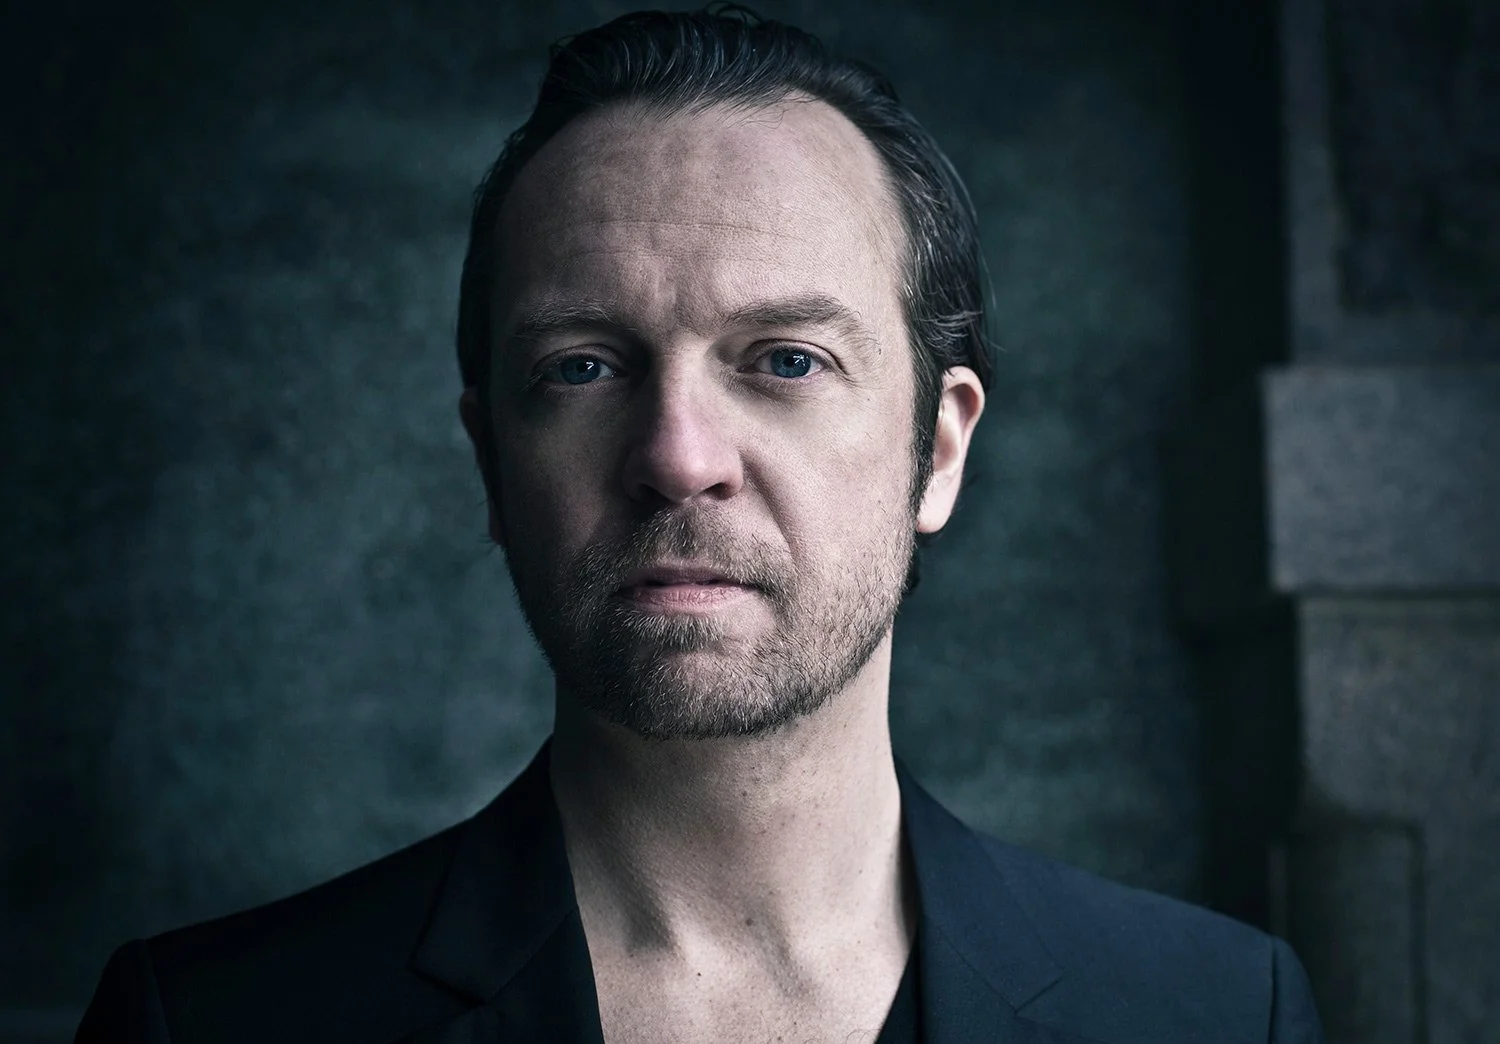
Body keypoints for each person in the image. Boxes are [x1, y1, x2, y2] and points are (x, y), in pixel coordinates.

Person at [77, 6, 1324, 1042]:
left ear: (938, 449)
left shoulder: (1218, 1014)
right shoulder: (209, 1023)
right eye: (581, 367)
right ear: (490, 461)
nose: (678, 458)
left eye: (785, 359)